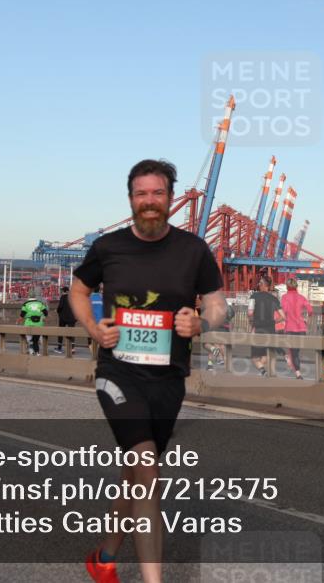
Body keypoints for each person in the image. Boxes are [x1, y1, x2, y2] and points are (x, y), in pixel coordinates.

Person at [71, 159, 225, 583]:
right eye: (142, 194)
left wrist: (202, 323)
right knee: (148, 469)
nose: (150, 202)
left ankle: (104, 555)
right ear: (131, 200)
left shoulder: (194, 249)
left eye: (157, 193)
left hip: (169, 378)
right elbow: (79, 289)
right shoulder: (108, 247)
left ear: (171, 199)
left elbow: (216, 303)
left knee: (137, 472)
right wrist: (92, 327)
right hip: (116, 373)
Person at [248, 275, 284, 377]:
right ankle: (264, 372)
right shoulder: (274, 299)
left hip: (258, 329)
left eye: (259, 283)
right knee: (266, 354)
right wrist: (273, 322)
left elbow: (250, 313)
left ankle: (263, 371)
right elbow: (283, 316)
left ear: (263, 285)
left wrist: (252, 324)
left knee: (255, 357)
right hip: (270, 330)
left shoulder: (253, 296)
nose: (258, 285)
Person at [280, 278, 312, 379]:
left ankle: (298, 372)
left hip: (290, 328)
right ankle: (295, 366)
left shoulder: (284, 297)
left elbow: (283, 312)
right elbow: (310, 310)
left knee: (293, 352)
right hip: (302, 328)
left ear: (287, 287)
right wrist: (307, 320)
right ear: (296, 287)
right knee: (296, 351)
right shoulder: (302, 297)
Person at [56, 285, 77, 352]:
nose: (62, 292)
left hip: (63, 318)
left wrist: (57, 311)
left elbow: (60, 307)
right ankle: (72, 348)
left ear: (64, 291)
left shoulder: (63, 297)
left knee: (61, 332)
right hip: (72, 318)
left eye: (62, 291)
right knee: (72, 332)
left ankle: (59, 347)